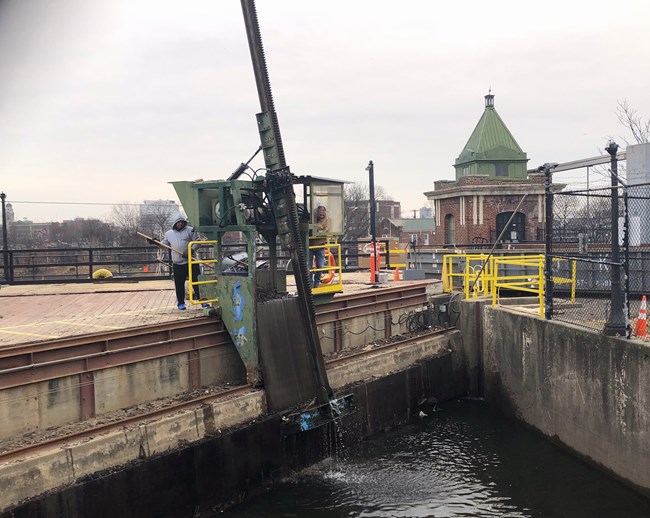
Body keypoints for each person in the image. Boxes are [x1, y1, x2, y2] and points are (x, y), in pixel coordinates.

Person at [154, 214, 210, 310]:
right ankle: (181, 303)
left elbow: (198, 242)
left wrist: (190, 251)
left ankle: (203, 301)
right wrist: (156, 243)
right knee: (179, 284)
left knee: (197, 282)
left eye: (182, 222)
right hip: (178, 263)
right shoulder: (169, 234)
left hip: (191, 261)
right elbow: (164, 245)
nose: (180, 224)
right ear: (175, 223)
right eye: (178, 222)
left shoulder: (190, 230)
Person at [309, 205, 331, 288]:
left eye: (323, 214)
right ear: (317, 212)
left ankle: (317, 282)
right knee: (309, 266)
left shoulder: (327, 220)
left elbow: (326, 230)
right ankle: (310, 283)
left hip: (320, 244)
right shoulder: (311, 217)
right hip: (310, 244)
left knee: (320, 265)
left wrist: (317, 229)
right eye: (320, 214)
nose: (321, 215)